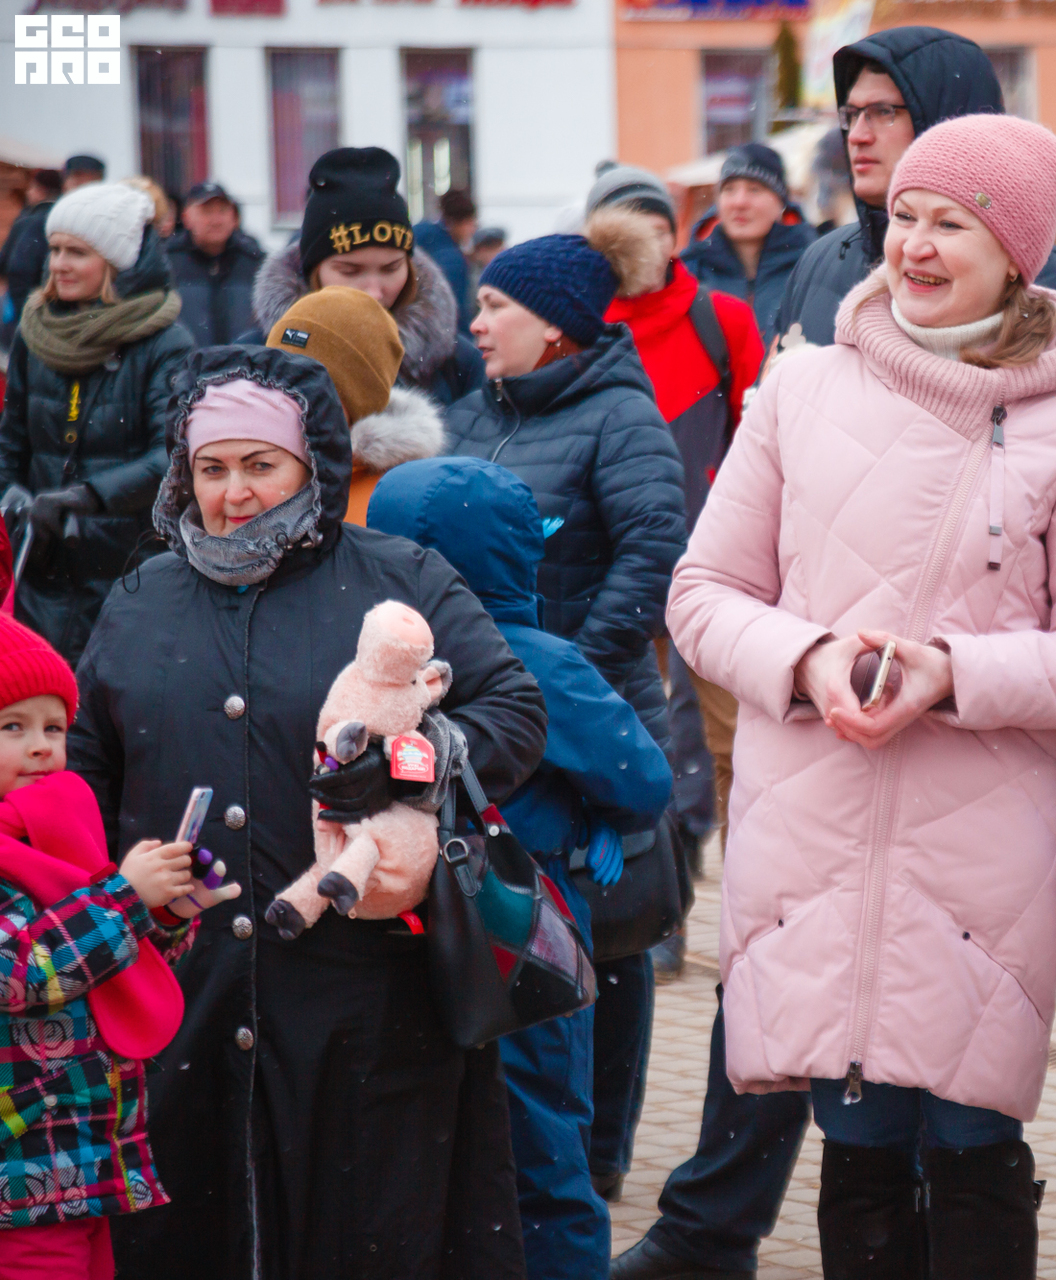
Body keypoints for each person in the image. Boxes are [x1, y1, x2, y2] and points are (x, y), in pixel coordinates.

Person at [666, 112, 1056, 1279]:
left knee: (976, 1140)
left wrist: (956, 674)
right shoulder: (797, 388)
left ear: (1017, 256)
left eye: (953, 224)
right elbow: (701, 594)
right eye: (905, 217)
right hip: (812, 827)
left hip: (979, 851)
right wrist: (806, 659)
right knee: (859, 1142)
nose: (917, 246)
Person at [70, 343, 546, 1279]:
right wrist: (97, 887)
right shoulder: (141, 597)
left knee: (365, 1231)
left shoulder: (398, 575)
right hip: (185, 993)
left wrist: (405, 765)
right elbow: (88, 762)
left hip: (364, 992)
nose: (235, 493)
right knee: (190, 1231)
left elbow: (514, 712)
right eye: (212, 468)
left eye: (261, 464)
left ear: (312, 464)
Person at [367, 455, 675, 1280]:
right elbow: (644, 781)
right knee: (541, 1157)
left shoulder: (358, 668)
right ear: (515, 555)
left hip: (384, 934)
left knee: (412, 1157)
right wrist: (590, 813)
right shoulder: (537, 661)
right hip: (512, 928)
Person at [440, 227, 689, 1211]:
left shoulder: (621, 415)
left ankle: (599, 1148)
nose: (476, 322)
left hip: (592, 713)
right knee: (515, 918)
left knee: (609, 938)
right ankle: (520, 1137)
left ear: (552, 325)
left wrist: (560, 669)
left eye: (495, 305)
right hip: (489, 716)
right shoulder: (474, 410)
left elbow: (652, 553)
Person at [0, 613, 236, 1279]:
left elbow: (98, 970)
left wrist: (162, 915)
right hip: (19, 1174)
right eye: (12, 727)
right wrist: (125, 900)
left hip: (78, 1159)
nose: (41, 747)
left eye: (54, 728)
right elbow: (21, 974)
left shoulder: (52, 831)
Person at [592, 169, 762, 866]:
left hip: (710, 554)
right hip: (608, 557)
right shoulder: (578, 324)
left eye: (658, 228)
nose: (644, 243)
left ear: (675, 236)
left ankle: (719, 857)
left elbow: (758, 436)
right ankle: (648, 866)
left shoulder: (722, 319)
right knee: (621, 717)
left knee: (723, 731)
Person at [767, 26, 1056, 357]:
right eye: (851, 115)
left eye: (883, 112)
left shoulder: (1041, 278)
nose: (857, 135)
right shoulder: (821, 260)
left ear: (948, 117)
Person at [0, 182, 192, 663]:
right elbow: (11, 444)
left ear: (116, 262)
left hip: (130, 571)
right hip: (41, 569)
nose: (58, 264)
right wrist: (12, 496)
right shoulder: (33, 333)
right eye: (55, 249)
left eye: (77, 252)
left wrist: (87, 497)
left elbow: (171, 456)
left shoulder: (164, 342)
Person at [246, 147, 485, 407]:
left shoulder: (458, 364)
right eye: (350, 271)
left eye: (391, 269)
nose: (374, 292)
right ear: (313, 270)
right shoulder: (256, 359)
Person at [262, 285, 440, 524]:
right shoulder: (242, 472)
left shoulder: (394, 503)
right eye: (273, 379)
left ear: (359, 401)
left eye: (307, 385)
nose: (283, 398)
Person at [681, 143, 820, 349]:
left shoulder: (813, 267)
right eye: (729, 190)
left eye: (754, 190)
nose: (740, 202)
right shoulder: (690, 271)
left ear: (781, 201)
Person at [3, 158, 104, 340]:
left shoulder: (105, 222)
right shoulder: (42, 221)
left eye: (91, 181)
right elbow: (19, 272)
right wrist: (33, 321)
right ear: (65, 183)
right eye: (77, 180)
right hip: (48, 326)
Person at [164, 181, 266, 348]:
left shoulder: (255, 262)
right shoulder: (168, 262)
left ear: (234, 217)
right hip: (187, 362)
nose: (216, 220)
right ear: (186, 217)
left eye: (222, 211)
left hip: (242, 362)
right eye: (207, 212)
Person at [0, 169, 62, 347]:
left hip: (26, 310)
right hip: (55, 313)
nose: (28, 192)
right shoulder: (65, 218)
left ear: (41, 190)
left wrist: (23, 311)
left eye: (32, 187)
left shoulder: (29, 221)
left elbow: (13, 266)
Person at [415, 187, 478, 331]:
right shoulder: (453, 259)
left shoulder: (419, 233)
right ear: (459, 222)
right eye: (471, 223)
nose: (473, 230)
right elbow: (456, 310)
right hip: (438, 331)